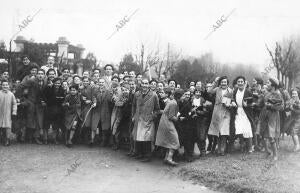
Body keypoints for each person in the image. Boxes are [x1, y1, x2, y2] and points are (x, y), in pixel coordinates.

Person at [132, 78, 160, 162]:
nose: (144, 85)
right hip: (138, 118)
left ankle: (148, 156)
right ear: (141, 85)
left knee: (147, 138)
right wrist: (133, 116)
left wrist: (153, 116)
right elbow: (133, 106)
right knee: (138, 137)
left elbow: (157, 109)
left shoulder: (153, 95)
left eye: (146, 83)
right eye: (143, 83)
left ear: (149, 85)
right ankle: (140, 154)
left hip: (148, 119)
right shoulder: (137, 94)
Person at [17, 69, 47, 145]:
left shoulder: (46, 82)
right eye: (39, 74)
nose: (40, 75)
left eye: (42, 74)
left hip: (40, 104)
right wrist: (22, 98)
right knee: (30, 120)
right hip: (31, 102)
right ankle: (28, 137)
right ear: (36, 75)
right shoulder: (32, 81)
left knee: (39, 121)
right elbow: (21, 86)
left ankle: (36, 137)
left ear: (44, 75)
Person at [257, 77, 283, 161]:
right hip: (264, 115)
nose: (266, 84)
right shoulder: (266, 93)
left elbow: (282, 107)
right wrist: (259, 99)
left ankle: (275, 155)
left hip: (272, 116)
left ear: (273, 85)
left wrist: (271, 106)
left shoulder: (278, 94)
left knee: (271, 136)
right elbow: (261, 104)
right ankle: (268, 151)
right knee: (262, 135)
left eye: (268, 83)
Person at [207, 76, 233, 156]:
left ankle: (222, 149)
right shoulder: (217, 89)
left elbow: (232, 101)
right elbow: (209, 91)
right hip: (217, 111)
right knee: (217, 131)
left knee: (224, 131)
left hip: (226, 112)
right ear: (220, 83)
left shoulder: (230, 91)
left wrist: (229, 105)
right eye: (222, 82)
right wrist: (214, 82)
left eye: (225, 82)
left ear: (227, 83)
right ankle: (218, 149)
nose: (223, 83)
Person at [155, 89, 180, 166]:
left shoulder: (169, 102)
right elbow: (171, 117)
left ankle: (166, 158)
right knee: (175, 141)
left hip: (163, 122)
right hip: (167, 123)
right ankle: (169, 158)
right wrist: (178, 118)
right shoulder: (174, 103)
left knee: (169, 141)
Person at [231, 76, 255, 153]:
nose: (240, 83)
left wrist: (247, 105)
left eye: (242, 82)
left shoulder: (248, 91)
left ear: (244, 83)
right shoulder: (235, 91)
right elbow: (232, 98)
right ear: (237, 83)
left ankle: (250, 148)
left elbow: (253, 103)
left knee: (247, 129)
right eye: (239, 82)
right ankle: (242, 146)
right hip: (238, 112)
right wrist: (233, 102)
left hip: (246, 113)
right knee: (239, 129)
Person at [43, 77, 65, 144]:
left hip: (57, 110)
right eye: (56, 83)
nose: (57, 84)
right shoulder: (48, 89)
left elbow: (62, 99)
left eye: (59, 83)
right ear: (53, 83)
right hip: (49, 109)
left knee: (56, 125)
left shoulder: (62, 90)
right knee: (46, 124)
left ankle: (54, 139)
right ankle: (45, 139)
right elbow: (44, 97)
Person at [92, 78, 113, 147]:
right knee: (99, 125)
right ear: (98, 83)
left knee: (105, 126)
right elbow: (94, 97)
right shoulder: (96, 91)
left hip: (105, 111)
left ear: (104, 83)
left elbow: (110, 100)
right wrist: (94, 102)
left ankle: (105, 141)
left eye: (102, 82)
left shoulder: (108, 91)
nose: (101, 84)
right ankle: (100, 139)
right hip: (97, 111)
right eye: (100, 82)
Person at [0, 80, 17, 146]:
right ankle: (2, 138)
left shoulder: (11, 94)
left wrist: (14, 112)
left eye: (6, 85)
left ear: (9, 86)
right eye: (3, 85)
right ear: (1, 86)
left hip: (8, 113)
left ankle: (7, 139)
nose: (5, 86)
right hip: (0, 112)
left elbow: (14, 103)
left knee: (7, 127)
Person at [178, 91, 194, 161]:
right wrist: (180, 118)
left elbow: (192, 114)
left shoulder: (191, 103)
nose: (187, 96)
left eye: (189, 95)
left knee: (189, 140)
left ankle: (188, 155)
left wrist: (186, 117)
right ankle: (183, 154)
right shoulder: (180, 103)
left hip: (189, 124)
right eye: (186, 94)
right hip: (181, 124)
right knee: (183, 139)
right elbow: (177, 112)